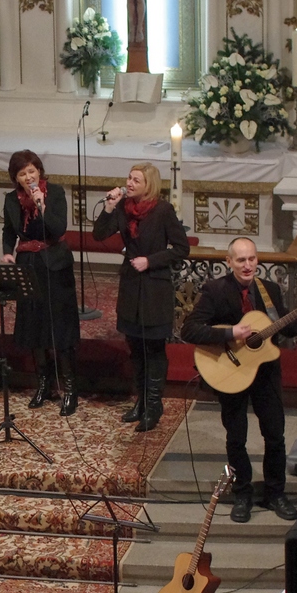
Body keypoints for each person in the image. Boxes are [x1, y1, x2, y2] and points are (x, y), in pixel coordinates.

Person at [181, 237, 297, 522]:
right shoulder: (215, 290)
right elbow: (189, 330)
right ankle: (242, 495)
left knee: (275, 435)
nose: (248, 265)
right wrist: (230, 333)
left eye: (252, 259)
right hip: (231, 372)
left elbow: (286, 327)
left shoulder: (269, 290)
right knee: (236, 438)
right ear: (229, 262)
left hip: (266, 372)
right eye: (241, 260)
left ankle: (275, 493)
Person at [92, 162, 188, 431]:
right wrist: (109, 207)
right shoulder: (124, 207)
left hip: (155, 287)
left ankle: (154, 405)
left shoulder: (163, 210)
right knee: (135, 346)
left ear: (149, 185)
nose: (129, 183)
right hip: (132, 286)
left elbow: (181, 248)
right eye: (129, 178)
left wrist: (151, 260)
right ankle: (141, 401)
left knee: (153, 348)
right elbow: (99, 235)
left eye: (136, 180)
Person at [0, 151, 81, 416]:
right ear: (16, 178)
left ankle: (70, 388)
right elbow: (8, 230)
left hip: (54, 264)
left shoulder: (54, 193)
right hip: (28, 265)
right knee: (33, 325)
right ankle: (43, 384)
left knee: (59, 325)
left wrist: (41, 206)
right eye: (22, 174)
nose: (28, 177)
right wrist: (8, 252)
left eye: (32, 171)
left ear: (39, 171)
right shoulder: (11, 199)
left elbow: (59, 228)